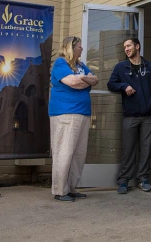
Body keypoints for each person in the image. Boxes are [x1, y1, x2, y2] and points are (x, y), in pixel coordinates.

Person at [107, 37, 151, 194]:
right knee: (128, 149)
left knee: (146, 148)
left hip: (148, 116)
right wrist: (124, 86)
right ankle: (124, 180)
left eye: (129, 45)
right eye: (125, 46)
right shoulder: (121, 67)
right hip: (130, 115)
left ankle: (143, 179)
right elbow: (111, 84)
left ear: (137, 46)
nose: (126, 49)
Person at [49, 36, 98, 202]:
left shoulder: (81, 65)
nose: (82, 49)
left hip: (83, 113)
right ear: (71, 47)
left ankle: (71, 188)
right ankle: (60, 190)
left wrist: (82, 79)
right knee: (64, 152)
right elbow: (72, 82)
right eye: (79, 46)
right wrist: (85, 80)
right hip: (65, 113)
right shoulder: (61, 63)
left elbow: (95, 80)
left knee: (78, 153)